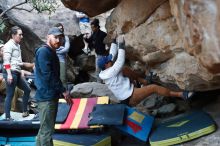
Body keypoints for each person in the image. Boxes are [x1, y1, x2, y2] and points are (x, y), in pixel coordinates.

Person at [98, 35, 194, 106]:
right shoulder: (110, 73)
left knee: (124, 70)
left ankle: (144, 81)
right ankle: (180, 94)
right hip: (130, 97)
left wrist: (114, 41)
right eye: (108, 61)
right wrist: (121, 45)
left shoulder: (105, 70)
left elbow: (112, 55)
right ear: (106, 65)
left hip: (127, 92)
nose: (110, 60)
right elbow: (120, 61)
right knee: (154, 88)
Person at [34, 27, 72, 146]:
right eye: (55, 37)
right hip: (46, 97)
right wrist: (63, 91)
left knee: (44, 130)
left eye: (60, 38)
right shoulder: (44, 51)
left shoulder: (51, 52)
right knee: (47, 131)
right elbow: (48, 75)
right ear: (48, 36)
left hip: (49, 96)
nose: (58, 40)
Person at [2, 26, 34, 120]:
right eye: (19, 34)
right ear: (13, 35)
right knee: (10, 94)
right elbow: (6, 61)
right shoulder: (8, 45)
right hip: (10, 72)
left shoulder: (17, 45)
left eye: (22, 34)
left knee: (27, 89)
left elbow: (17, 61)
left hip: (17, 72)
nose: (21, 36)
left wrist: (25, 67)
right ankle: (7, 117)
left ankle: (25, 111)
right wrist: (9, 74)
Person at [54, 23, 70, 88]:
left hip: (62, 60)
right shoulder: (53, 37)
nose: (61, 29)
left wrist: (57, 51)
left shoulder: (65, 37)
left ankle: (65, 94)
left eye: (62, 28)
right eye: (59, 28)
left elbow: (66, 49)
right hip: (54, 59)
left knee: (63, 78)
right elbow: (52, 48)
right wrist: (60, 49)